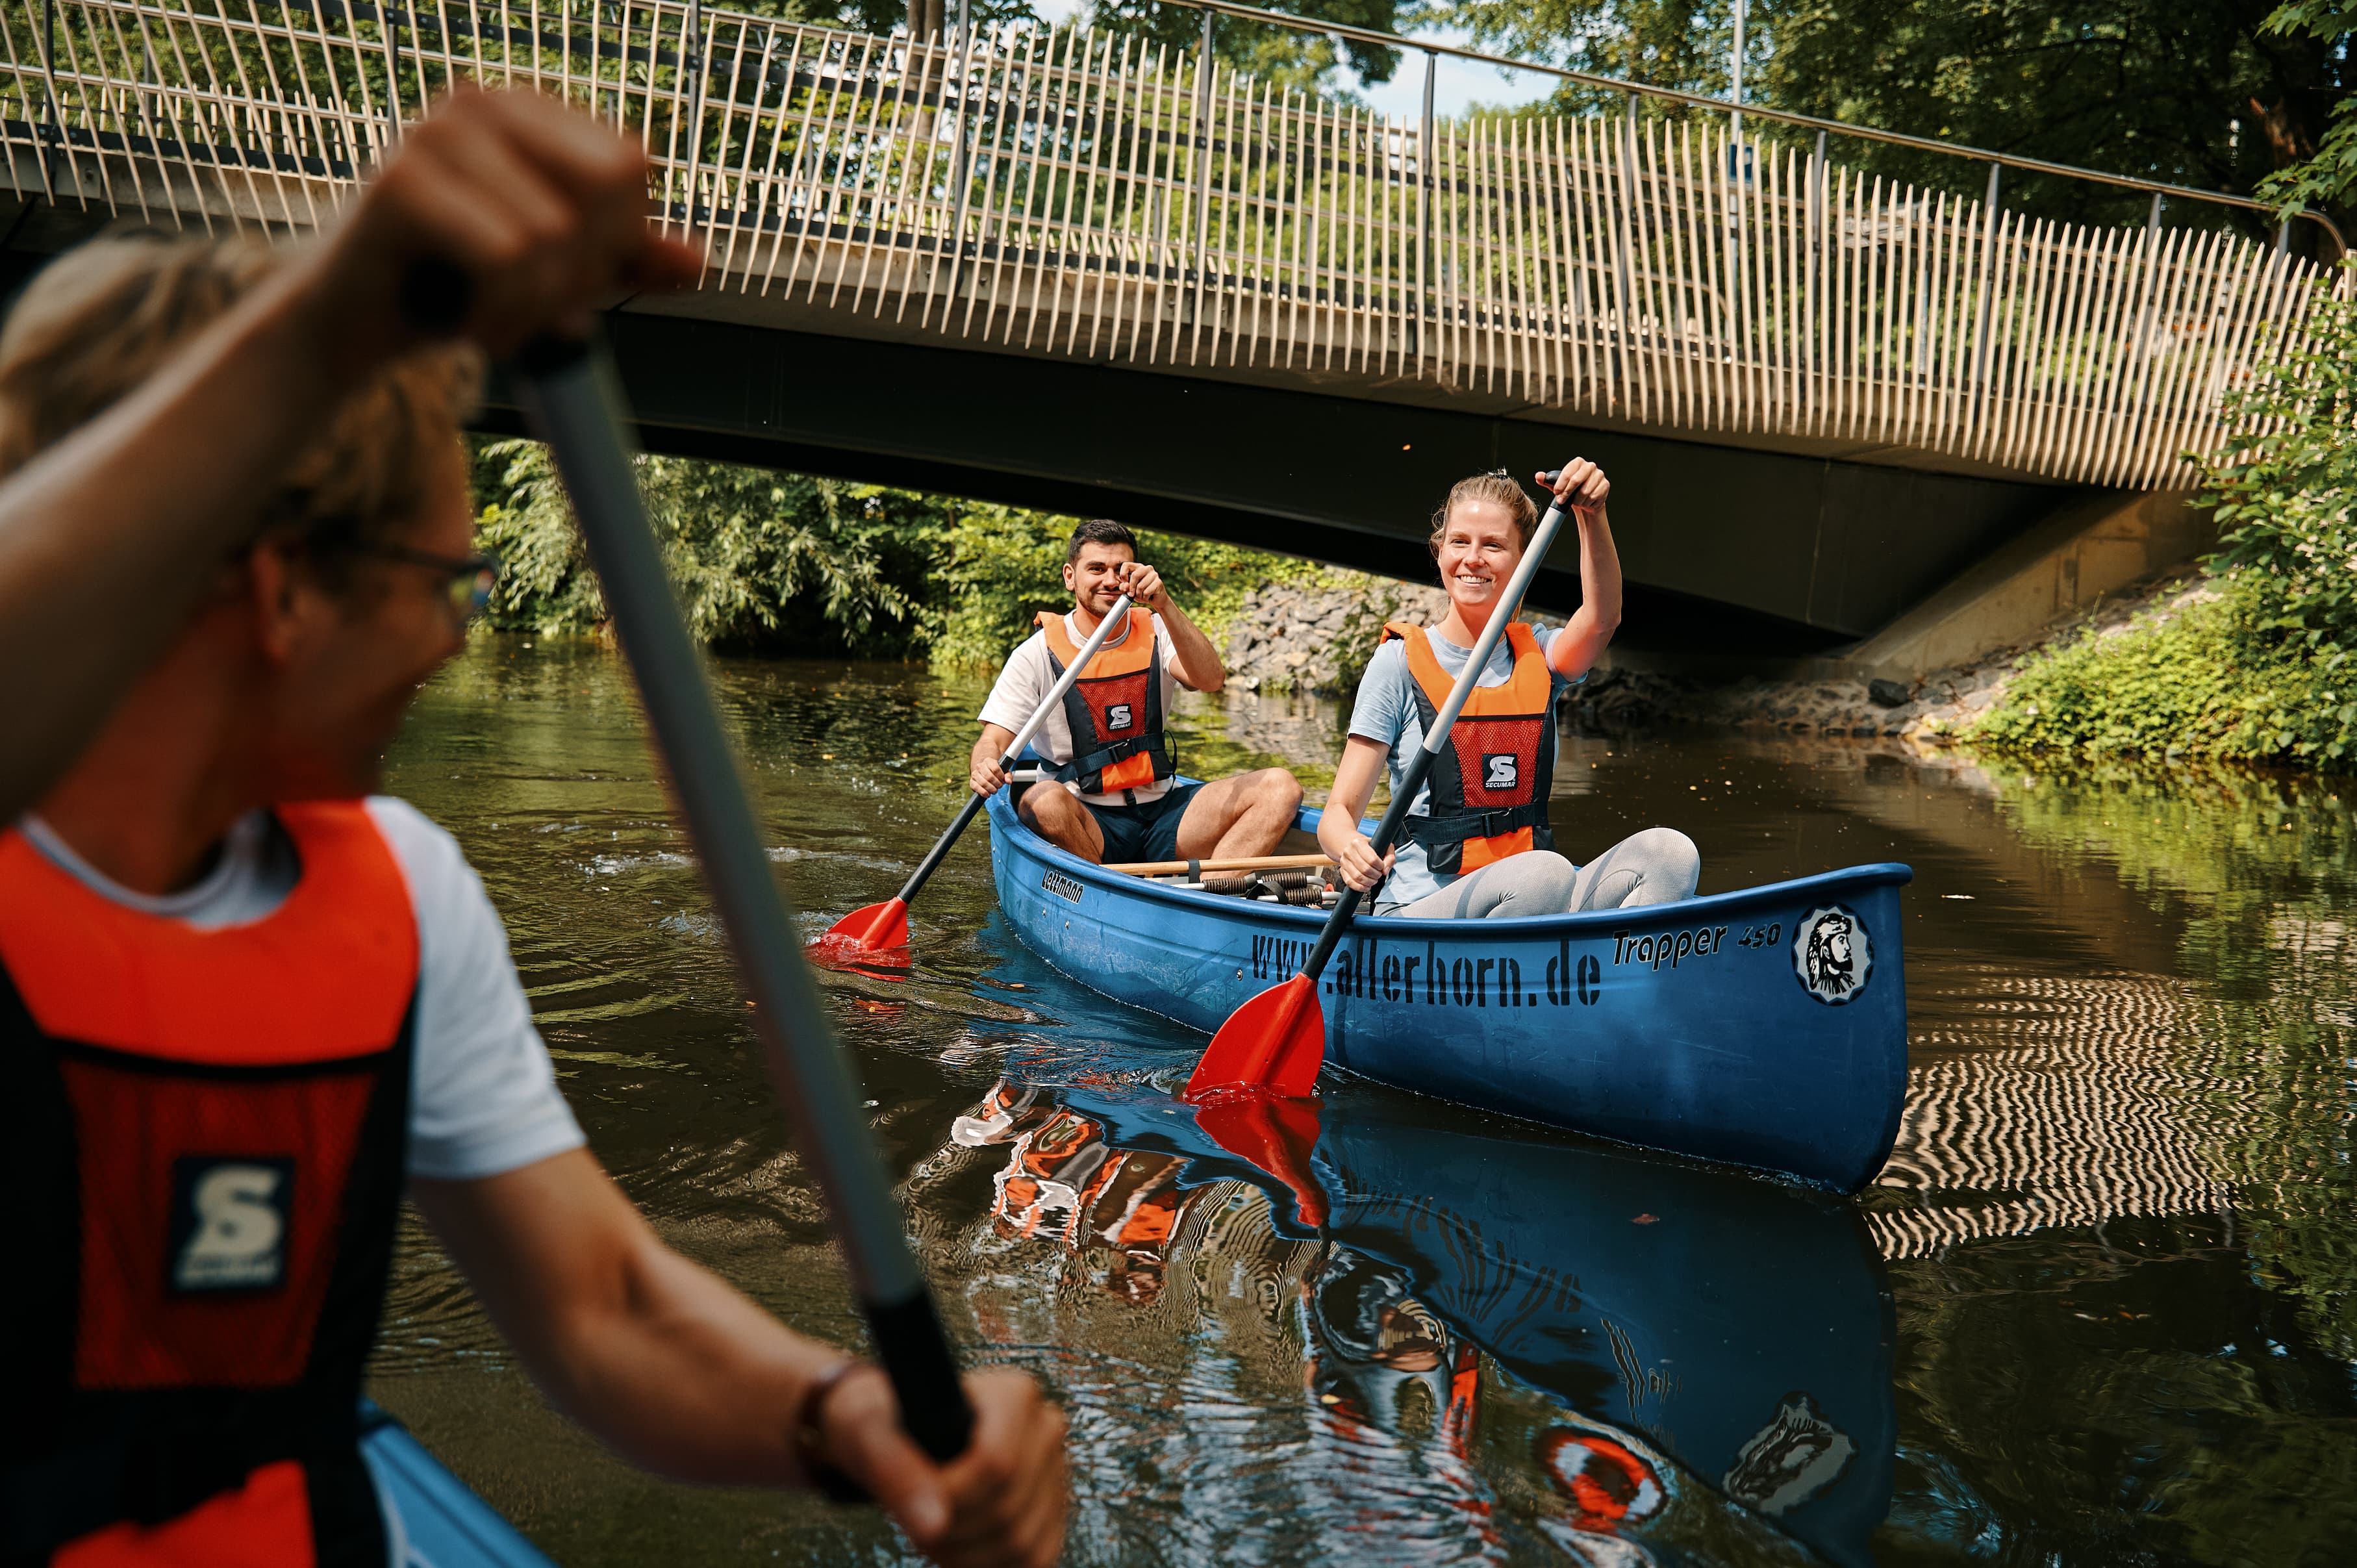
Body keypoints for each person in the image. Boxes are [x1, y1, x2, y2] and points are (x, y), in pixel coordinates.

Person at [0, 95, 1066, 1568]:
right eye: (451, 583)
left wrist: (842, 1411)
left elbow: (602, 1304)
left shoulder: (399, 891)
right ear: (277, 585)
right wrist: (321, 324)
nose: (449, 642)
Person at [1319, 464, 1698, 918]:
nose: (1473, 559)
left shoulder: (1538, 654)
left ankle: (1619, 980)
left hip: (1537, 893)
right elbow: (1337, 813)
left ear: (1523, 562)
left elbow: (1602, 620)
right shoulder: (1397, 664)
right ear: (1439, 553)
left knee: (1669, 853)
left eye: (1493, 545)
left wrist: (1591, 515)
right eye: (1460, 542)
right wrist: (1351, 848)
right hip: (1421, 906)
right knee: (1541, 873)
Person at [971, 519, 1301, 865]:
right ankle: (1105, 890)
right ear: (1070, 576)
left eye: (1120, 570)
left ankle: (1215, 895)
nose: (1110, 581)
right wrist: (984, 765)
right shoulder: (1034, 655)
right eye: (1096, 569)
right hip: (1085, 818)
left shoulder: (1159, 628)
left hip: (1165, 812)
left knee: (1281, 787)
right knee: (1040, 800)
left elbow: (1211, 681)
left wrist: (1165, 604)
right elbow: (993, 740)